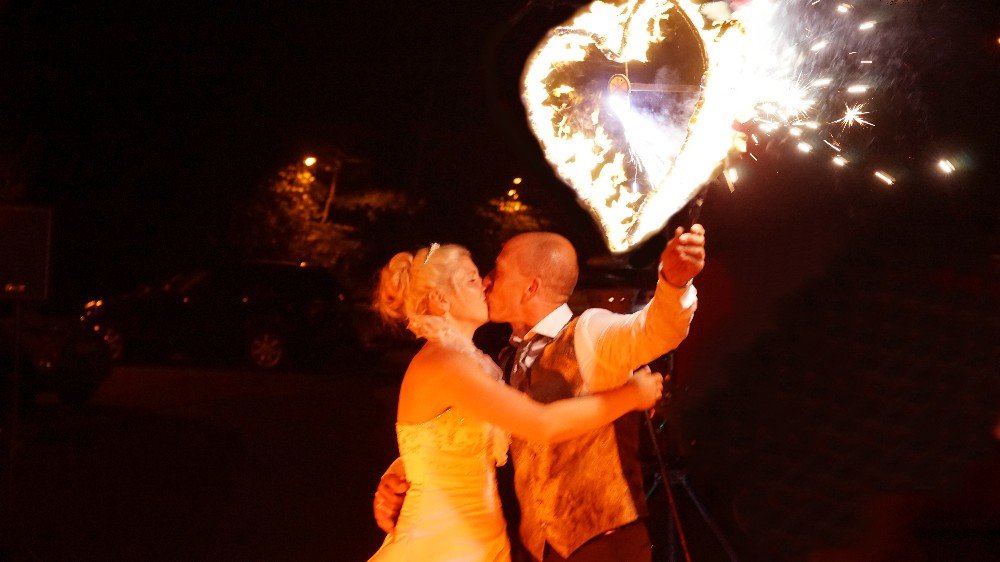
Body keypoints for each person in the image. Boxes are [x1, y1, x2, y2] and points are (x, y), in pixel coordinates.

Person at [375, 225, 706, 562]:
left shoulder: (591, 332)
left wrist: (674, 284)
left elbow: (655, 330)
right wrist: (402, 474)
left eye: (496, 272)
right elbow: (464, 431)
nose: (487, 282)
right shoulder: (493, 363)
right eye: (476, 278)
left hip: (602, 548)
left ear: (530, 287)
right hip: (530, 549)